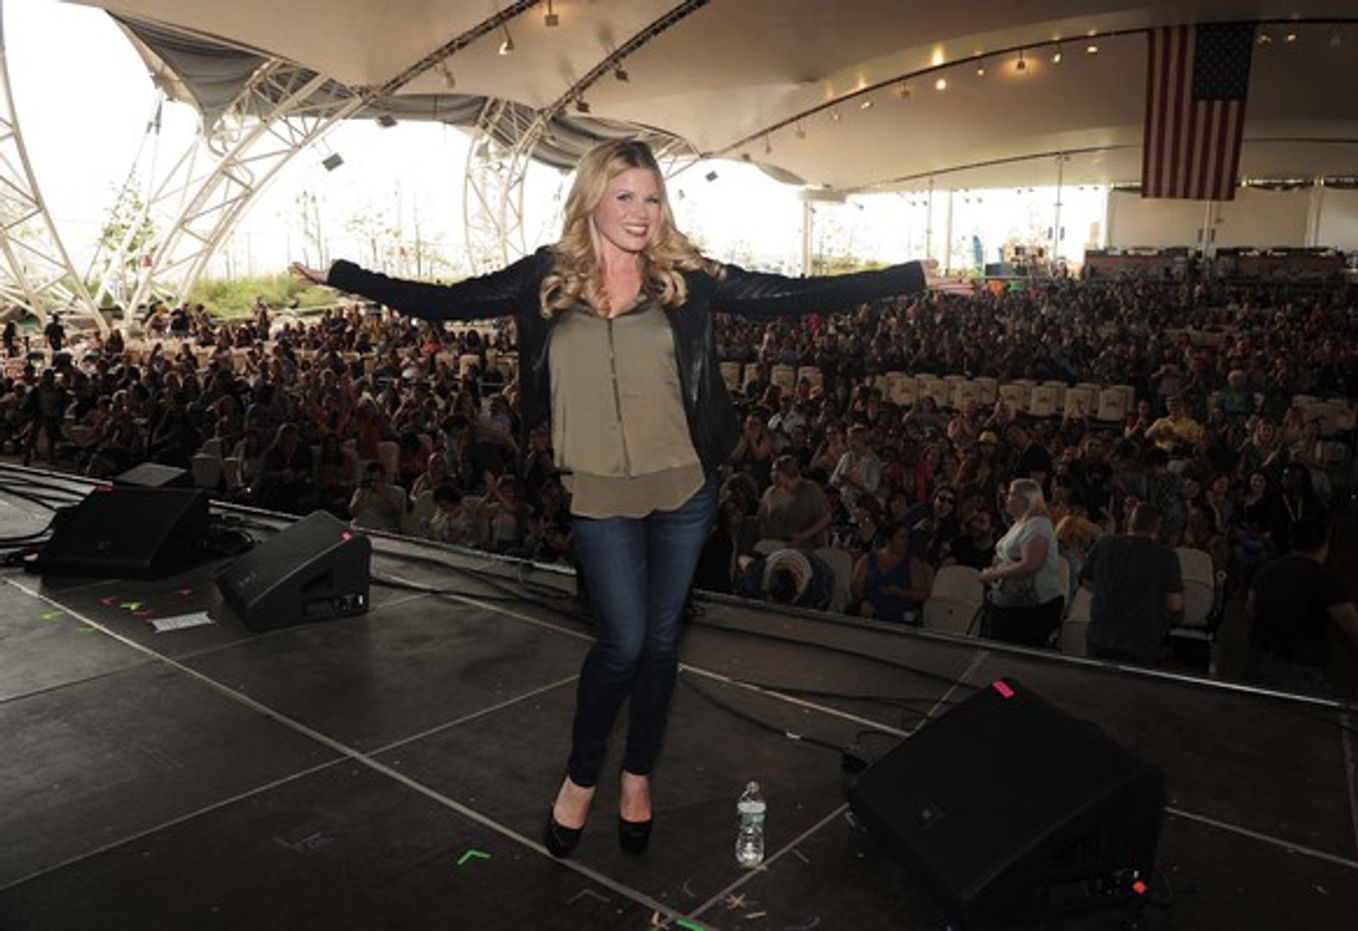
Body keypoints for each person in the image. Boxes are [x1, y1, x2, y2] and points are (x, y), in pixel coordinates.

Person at [291, 138, 937, 860]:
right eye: (625, 195)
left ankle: (637, 776)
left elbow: (791, 292)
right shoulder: (547, 279)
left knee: (660, 642)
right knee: (623, 641)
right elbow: (445, 302)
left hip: (684, 486)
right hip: (596, 488)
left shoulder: (686, 279)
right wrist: (346, 276)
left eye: (652, 197)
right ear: (592, 197)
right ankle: (582, 774)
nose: (640, 211)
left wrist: (911, 277)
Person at [1248, 516, 1358, 695]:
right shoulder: (1323, 579)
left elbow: (1251, 608)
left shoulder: (1267, 570)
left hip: (1260, 662)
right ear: (1325, 543)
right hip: (1300, 670)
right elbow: (1357, 632)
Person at [1079, 503, 1183, 666]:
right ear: (1158, 526)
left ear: (1130, 522)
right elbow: (1174, 603)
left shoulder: (1104, 544)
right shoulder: (1165, 556)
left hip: (1100, 636)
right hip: (1142, 641)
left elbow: (1086, 581)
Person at [980, 478, 1064, 647]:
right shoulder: (1019, 523)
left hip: (1029, 609)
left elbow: (1031, 565)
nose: (1006, 498)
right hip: (1010, 603)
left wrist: (994, 574)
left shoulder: (1038, 525)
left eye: (1011, 494)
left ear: (1026, 499)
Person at [851, 522, 930, 624]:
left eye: (908, 538)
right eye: (901, 537)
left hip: (900, 613)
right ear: (889, 539)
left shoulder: (913, 563)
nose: (906, 542)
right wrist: (863, 602)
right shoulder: (868, 559)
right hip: (869, 611)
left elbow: (922, 593)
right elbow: (856, 585)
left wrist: (900, 592)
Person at [756, 454, 831, 548]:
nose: (771, 475)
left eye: (775, 472)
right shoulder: (770, 493)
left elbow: (825, 518)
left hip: (804, 548)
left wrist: (804, 536)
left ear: (785, 473)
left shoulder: (811, 490)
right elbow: (761, 519)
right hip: (776, 548)